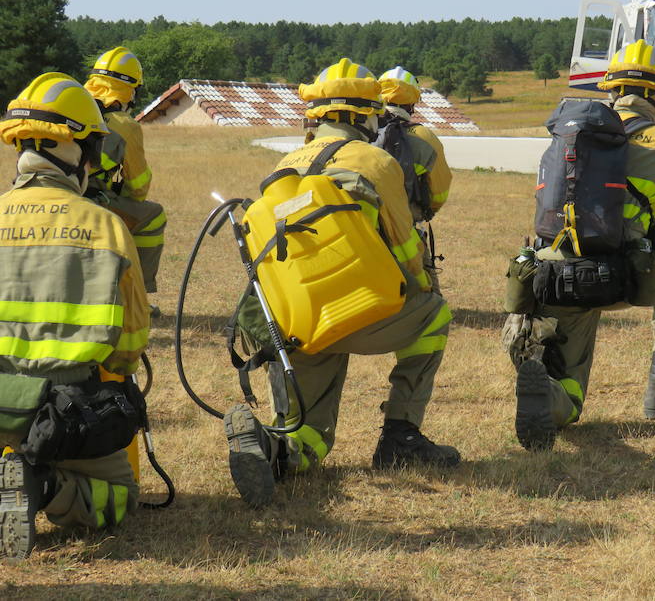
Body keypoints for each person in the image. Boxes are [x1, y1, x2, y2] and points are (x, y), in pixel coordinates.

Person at [225, 58, 459, 508]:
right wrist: (422, 288)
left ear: (317, 115)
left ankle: (276, 449)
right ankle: (400, 439)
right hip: (361, 309)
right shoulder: (376, 161)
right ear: (364, 115)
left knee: (310, 437)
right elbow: (406, 246)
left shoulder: (285, 163)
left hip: (297, 320)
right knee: (435, 317)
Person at [511, 40, 655, 451]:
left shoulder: (568, 136)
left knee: (571, 386)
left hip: (555, 272)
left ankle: (551, 394)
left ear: (610, 88)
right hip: (622, 278)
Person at [0, 73, 149, 558]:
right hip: (68, 408)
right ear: (83, 153)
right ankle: (43, 486)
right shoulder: (105, 226)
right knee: (115, 503)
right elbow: (130, 346)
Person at [83, 47, 167, 303]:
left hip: (44, 191)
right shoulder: (124, 125)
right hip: (90, 201)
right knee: (153, 216)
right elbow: (139, 187)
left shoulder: (70, 108)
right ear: (130, 90)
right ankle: (135, 297)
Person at [377, 66, 453, 290]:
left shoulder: (363, 131)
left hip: (363, 230)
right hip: (406, 230)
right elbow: (439, 191)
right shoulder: (424, 138)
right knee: (426, 294)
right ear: (412, 102)